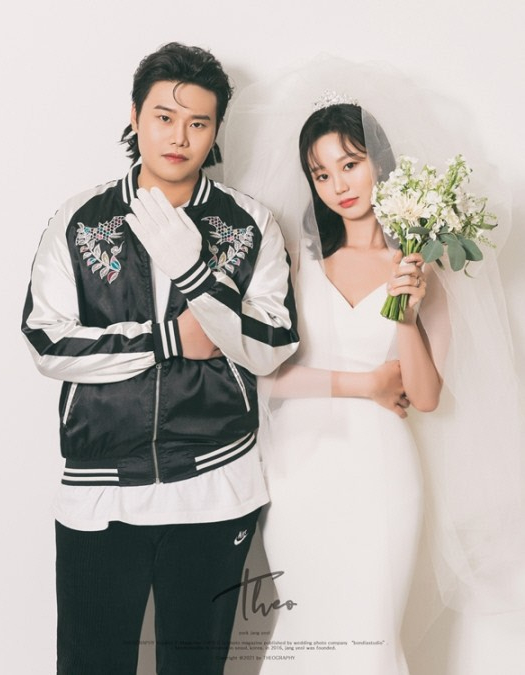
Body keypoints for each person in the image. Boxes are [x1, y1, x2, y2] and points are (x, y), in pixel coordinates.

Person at [224, 59, 524, 674]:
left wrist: (406, 315)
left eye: (350, 164)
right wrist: (366, 384)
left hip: (381, 471)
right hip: (299, 473)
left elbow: (426, 396)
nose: (338, 185)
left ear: (379, 164)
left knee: (369, 632)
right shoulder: (296, 261)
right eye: (321, 173)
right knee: (305, 630)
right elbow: (266, 376)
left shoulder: (420, 268)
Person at [21, 42, 298, 675]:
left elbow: (273, 344)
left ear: (216, 129)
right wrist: (165, 340)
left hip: (217, 483)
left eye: (198, 122)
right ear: (135, 116)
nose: (179, 137)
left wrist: (195, 272)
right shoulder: (79, 219)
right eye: (164, 117)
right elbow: (45, 340)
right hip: (100, 486)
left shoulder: (250, 224)